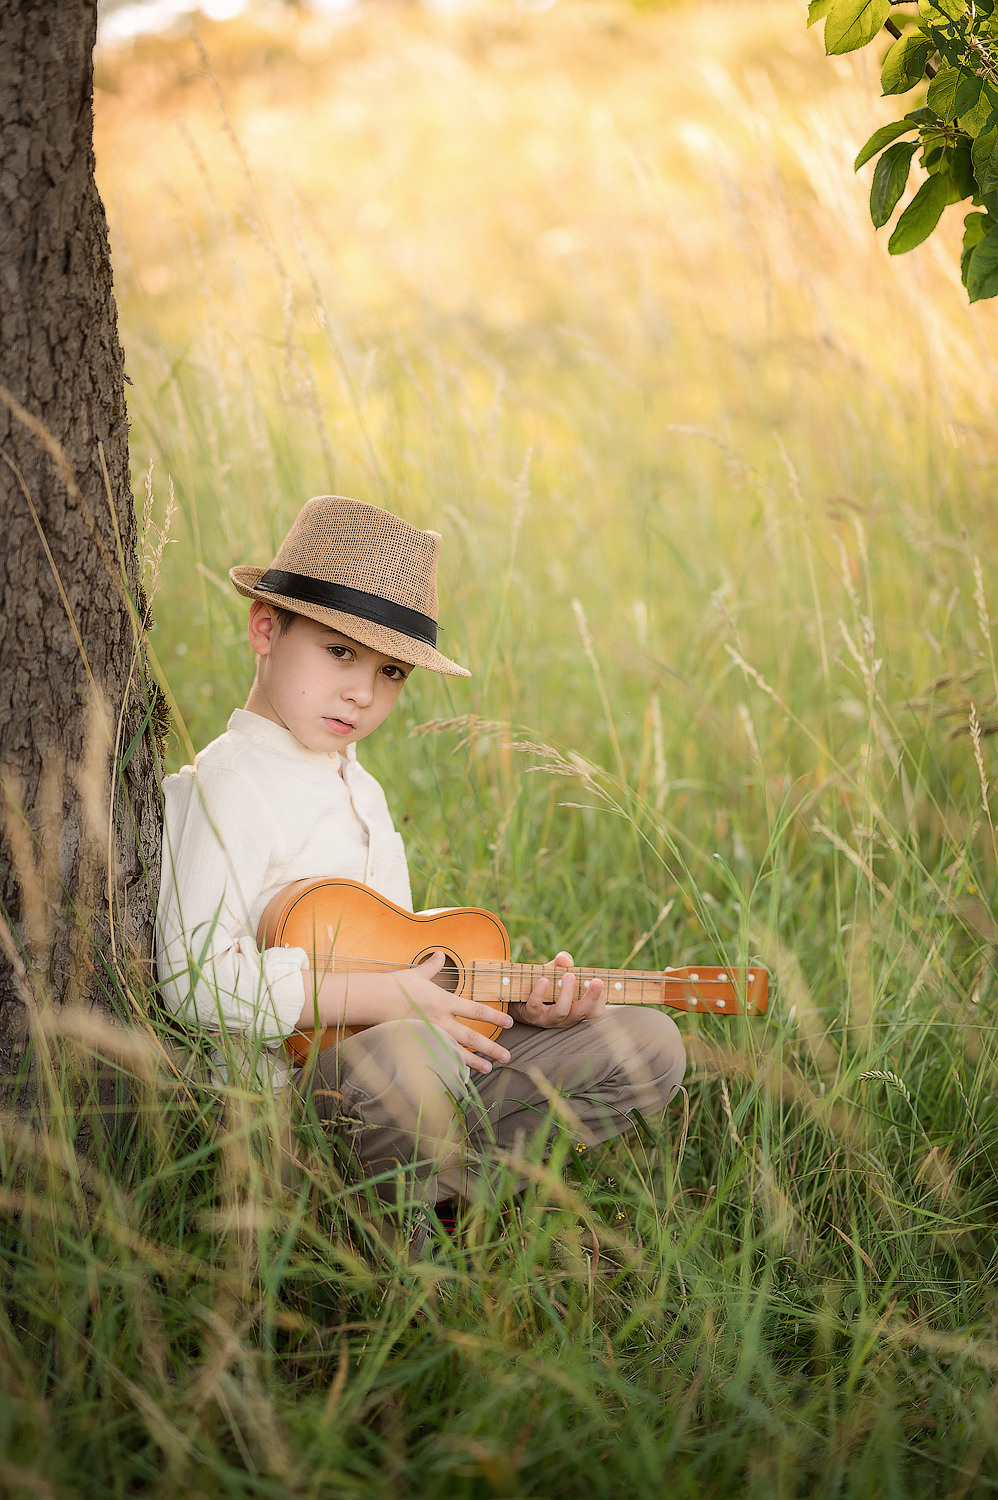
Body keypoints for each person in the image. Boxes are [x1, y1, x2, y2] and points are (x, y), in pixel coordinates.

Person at [156, 494, 686, 1245]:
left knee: (648, 1045)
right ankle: (382, 1243)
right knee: (413, 1052)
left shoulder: (359, 790)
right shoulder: (230, 785)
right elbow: (193, 981)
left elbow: (393, 964)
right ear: (265, 629)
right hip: (283, 1104)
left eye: (392, 672)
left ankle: (434, 1204)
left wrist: (503, 1008)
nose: (364, 693)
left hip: (396, 1069)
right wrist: (394, 999)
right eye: (340, 652)